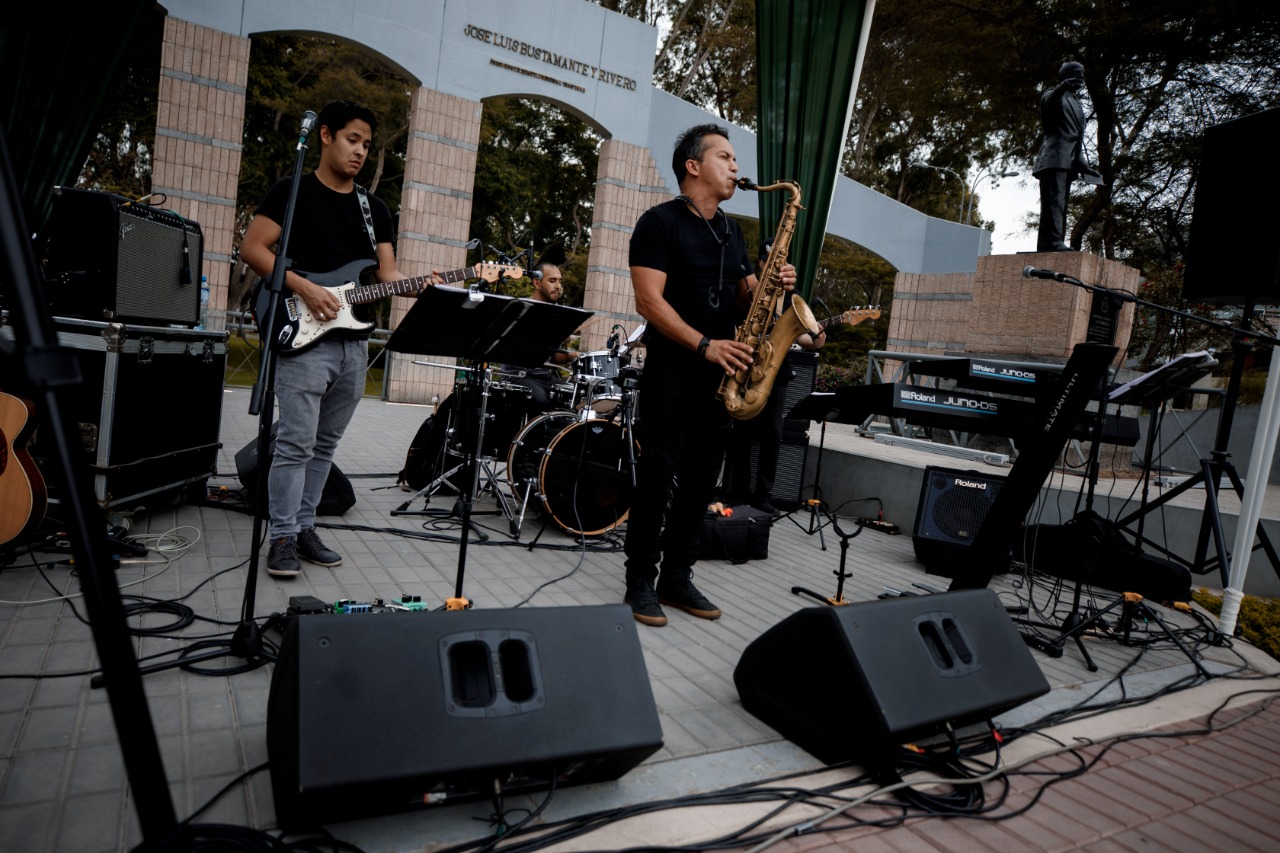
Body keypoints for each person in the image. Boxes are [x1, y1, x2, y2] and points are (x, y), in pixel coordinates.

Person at [623, 123, 797, 627]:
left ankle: (677, 576)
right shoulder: (658, 223)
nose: (736, 166)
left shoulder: (731, 230)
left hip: (723, 378)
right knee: (657, 477)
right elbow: (648, 301)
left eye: (735, 158)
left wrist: (774, 280)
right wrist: (704, 344)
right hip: (674, 371)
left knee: (702, 482)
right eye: (725, 156)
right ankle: (640, 581)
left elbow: (748, 297)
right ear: (693, 166)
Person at [242, 100, 424, 577]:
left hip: (354, 341)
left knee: (323, 446)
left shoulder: (374, 209)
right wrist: (304, 286)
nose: (360, 151)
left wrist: (424, 283)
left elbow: (385, 274)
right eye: (352, 140)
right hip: (303, 333)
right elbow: (253, 249)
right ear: (325, 136)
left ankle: (303, 528)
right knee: (295, 444)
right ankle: (280, 537)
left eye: (366, 144)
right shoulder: (292, 191)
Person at [724, 243, 826, 515]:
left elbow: (807, 339)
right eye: (768, 260)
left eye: (778, 261)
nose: (773, 265)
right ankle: (738, 493)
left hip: (776, 373)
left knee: (772, 435)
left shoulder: (792, 296)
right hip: (746, 370)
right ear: (759, 264)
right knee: (741, 437)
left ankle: (763, 496)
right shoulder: (748, 293)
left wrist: (819, 336)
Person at [1033, 61, 1104, 252]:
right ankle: (1050, 242)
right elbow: (1049, 105)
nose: (1080, 77)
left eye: (1082, 74)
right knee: (1053, 204)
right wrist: (1060, 88)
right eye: (1075, 73)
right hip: (1052, 158)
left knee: (1061, 205)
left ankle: (1056, 241)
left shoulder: (1077, 105)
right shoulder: (1053, 94)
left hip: (1069, 161)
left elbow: (1076, 140)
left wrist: (1084, 166)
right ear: (1064, 76)